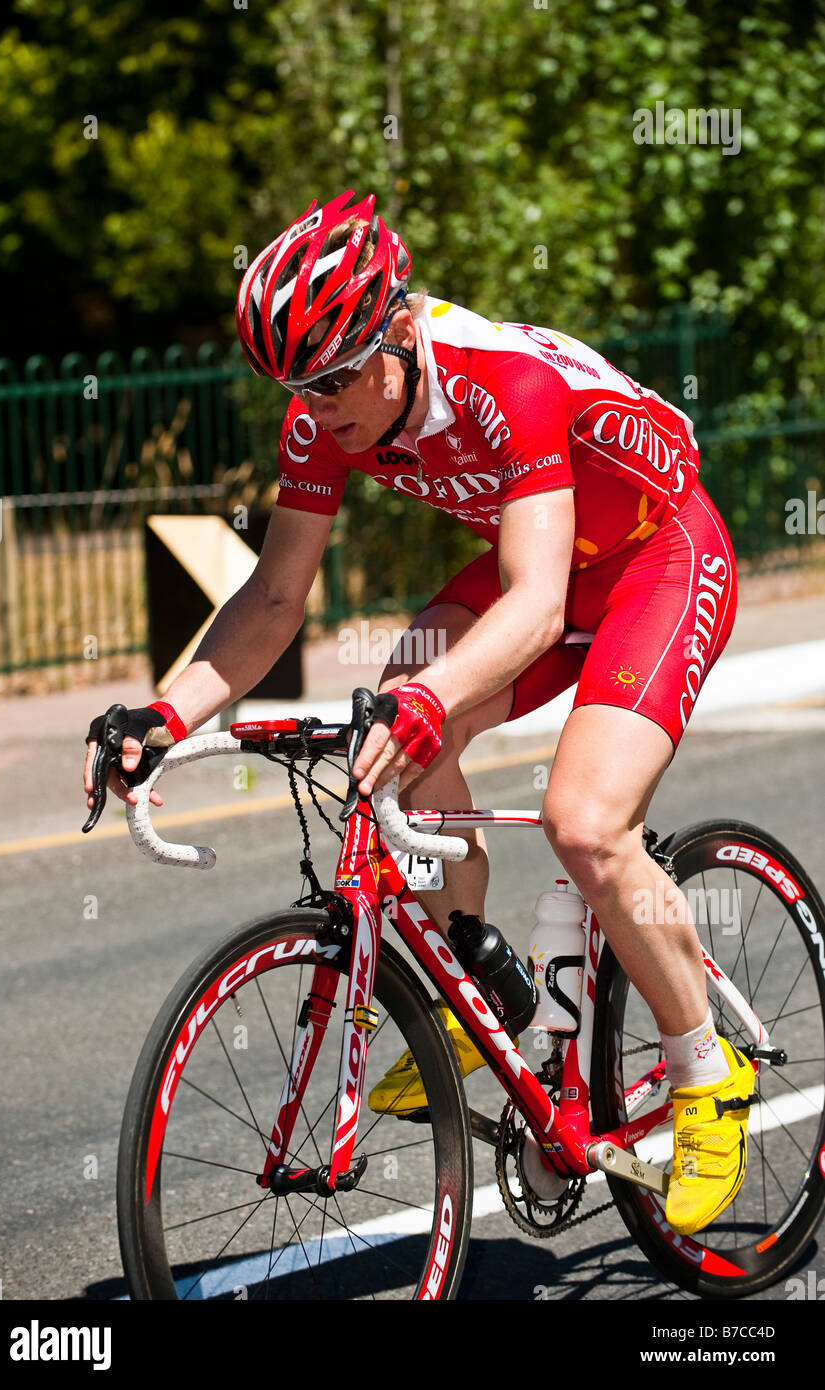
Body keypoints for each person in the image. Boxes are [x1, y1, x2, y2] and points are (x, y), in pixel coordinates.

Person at [84, 189, 753, 1237]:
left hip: (656, 557)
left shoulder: (504, 380)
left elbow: (533, 602)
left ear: (398, 327)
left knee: (584, 821)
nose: (319, 404)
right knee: (391, 723)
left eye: (339, 374)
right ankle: (473, 975)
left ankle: (706, 1076)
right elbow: (272, 597)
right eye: (298, 384)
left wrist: (428, 699)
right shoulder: (323, 411)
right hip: (549, 563)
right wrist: (163, 714)